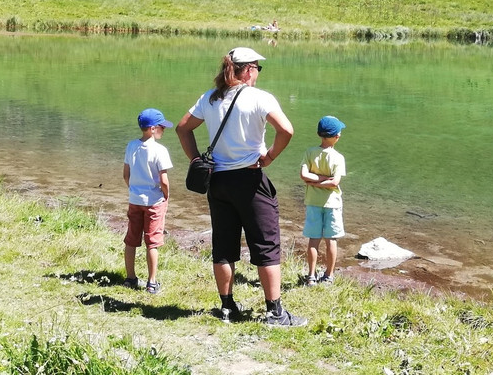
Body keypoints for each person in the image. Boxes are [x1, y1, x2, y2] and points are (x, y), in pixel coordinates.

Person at [175, 47, 307, 327]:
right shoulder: (259, 98)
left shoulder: (210, 98)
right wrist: (269, 156)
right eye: (257, 68)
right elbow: (287, 130)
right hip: (250, 180)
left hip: (219, 182)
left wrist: (197, 160)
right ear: (248, 70)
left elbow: (182, 128)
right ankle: (275, 312)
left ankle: (227, 307)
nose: (258, 73)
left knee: (223, 246)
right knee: (267, 245)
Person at [123, 108, 174, 294]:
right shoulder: (160, 150)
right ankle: (152, 282)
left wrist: (134, 189)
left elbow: (125, 175)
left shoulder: (131, 146)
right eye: (162, 127)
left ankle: (130, 278)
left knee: (131, 239)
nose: (164, 130)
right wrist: (166, 195)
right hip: (154, 201)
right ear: (153, 129)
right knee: (152, 242)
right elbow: (164, 180)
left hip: (135, 199)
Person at [299, 115, 346, 285]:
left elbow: (304, 175)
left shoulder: (310, 152)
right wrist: (324, 179)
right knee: (331, 240)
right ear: (336, 137)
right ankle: (328, 275)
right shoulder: (338, 158)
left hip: (312, 202)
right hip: (332, 204)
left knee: (313, 240)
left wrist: (314, 180)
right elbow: (334, 181)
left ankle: (311, 276)